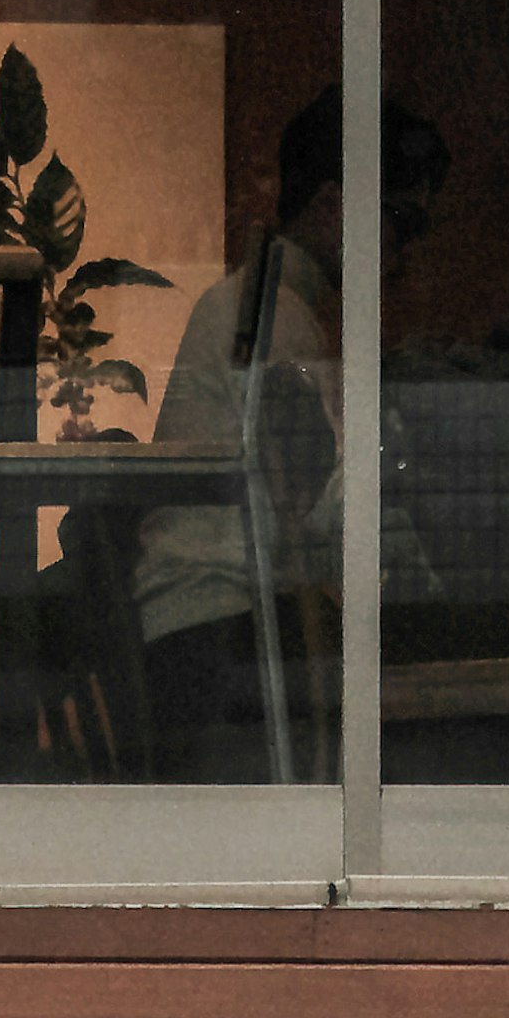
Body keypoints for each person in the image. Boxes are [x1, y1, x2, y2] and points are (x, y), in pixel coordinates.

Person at [81, 83, 449, 767]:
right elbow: (323, 507)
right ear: (337, 205)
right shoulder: (269, 315)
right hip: (223, 645)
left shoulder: (267, 306)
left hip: (209, 636)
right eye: (403, 221)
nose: (405, 252)